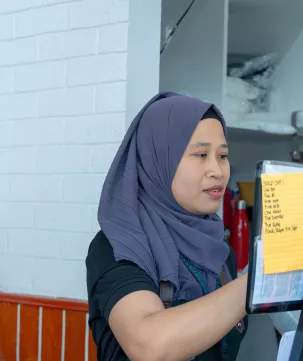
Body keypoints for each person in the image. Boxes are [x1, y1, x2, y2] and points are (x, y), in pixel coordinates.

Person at [85, 92, 249, 361]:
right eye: (200, 154)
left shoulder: (220, 252)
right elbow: (150, 346)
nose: (217, 170)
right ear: (158, 160)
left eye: (222, 156)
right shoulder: (119, 247)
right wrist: (257, 283)